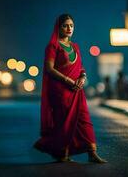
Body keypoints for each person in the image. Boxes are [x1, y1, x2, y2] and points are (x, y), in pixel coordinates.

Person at [33, 14, 107, 164]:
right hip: (61, 91)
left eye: (71, 26)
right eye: (65, 25)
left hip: (76, 90)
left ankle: (92, 153)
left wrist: (82, 78)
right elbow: (49, 69)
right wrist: (68, 80)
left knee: (84, 120)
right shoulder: (53, 46)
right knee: (64, 122)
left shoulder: (75, 47)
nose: (69, 28)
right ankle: (62, 153)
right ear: (58, 27)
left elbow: (80, 67)